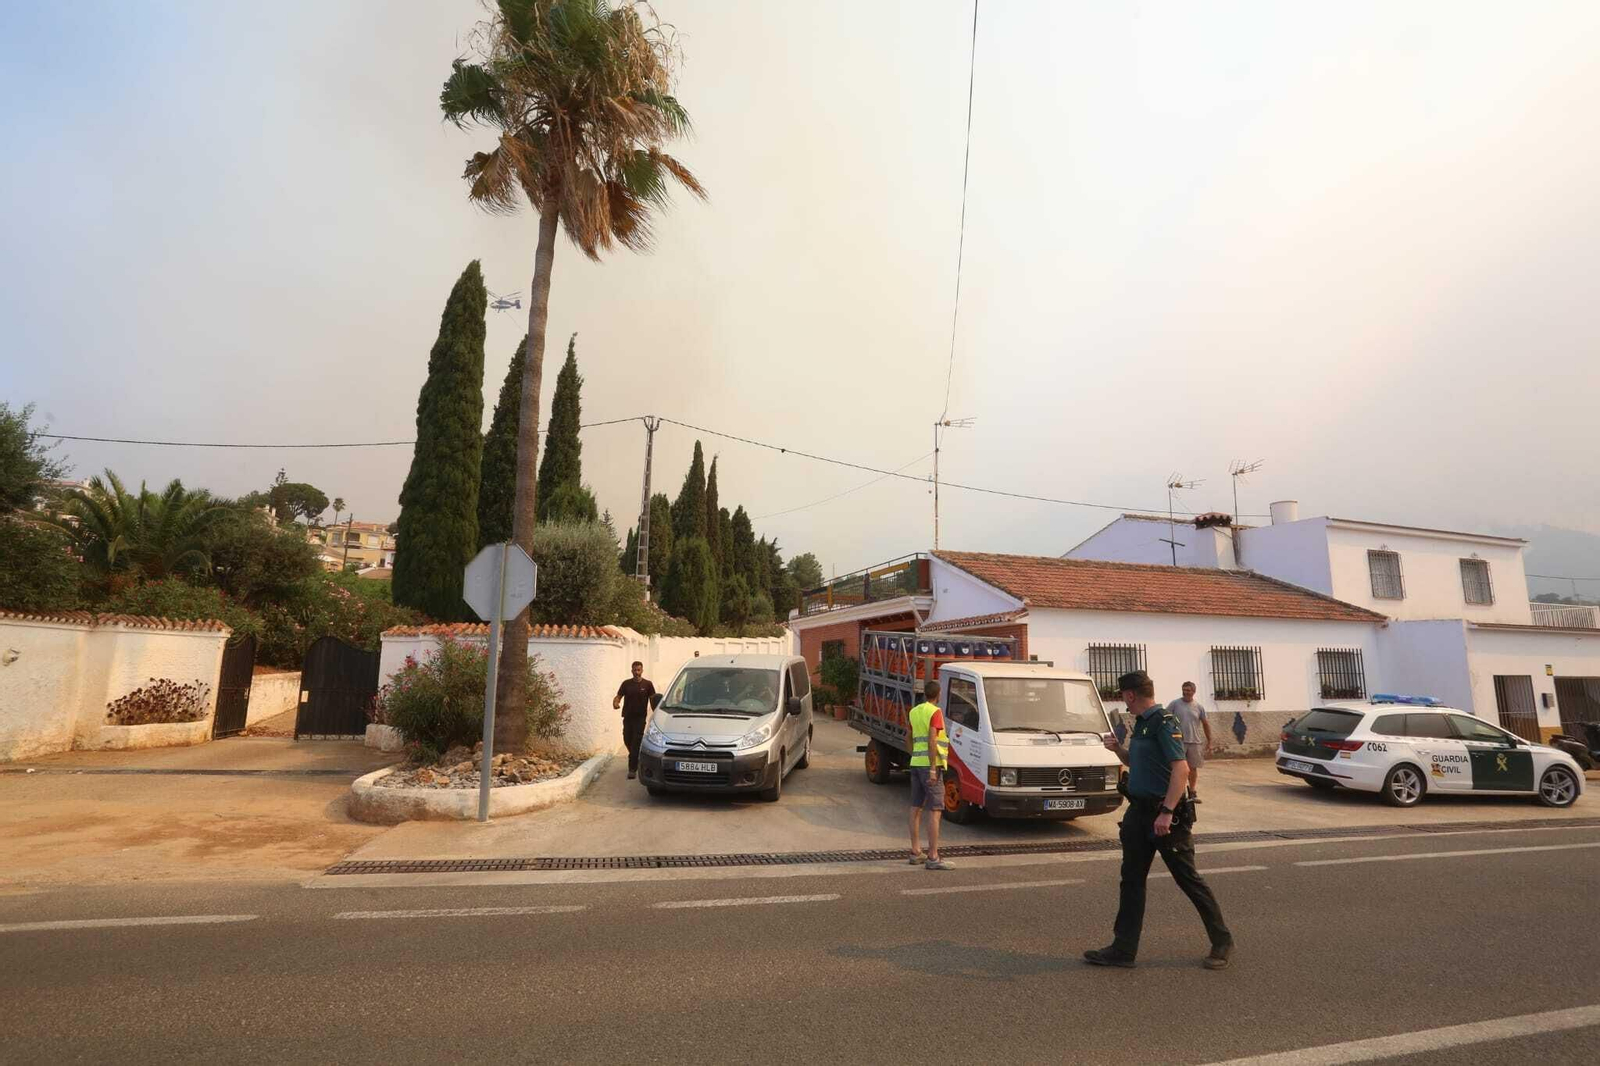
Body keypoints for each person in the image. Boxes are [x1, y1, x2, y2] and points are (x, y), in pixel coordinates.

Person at [1086, 670, 1233, 970]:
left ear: (1130, 695)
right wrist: (1118, 750)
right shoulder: (1141, 725)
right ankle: (1123, 950)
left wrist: (1166, 812)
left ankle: (1222, 941)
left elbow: (1180, 769)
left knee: (1188, 880)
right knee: (1131, 882)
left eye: (1123, 697)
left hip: (1165, 818)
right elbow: (1137, 762)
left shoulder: (1164, 722)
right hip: (1138, 815)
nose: (1124, 703)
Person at [907, 680, 953, 871]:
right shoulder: (935, 712)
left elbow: (907, 737)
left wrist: (913, 756)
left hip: (916, 764)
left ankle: (916, 852)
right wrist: (933, 768)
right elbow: (933, 739)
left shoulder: (914, 711)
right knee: (935, 810)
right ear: (938, 694)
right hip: (929, 766)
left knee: (915, 808)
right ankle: (933, 856)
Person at [1167, 681, 1212, 801]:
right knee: (1179, 768)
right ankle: (1180, 794)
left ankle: (1192, 792)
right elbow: (1165, 719)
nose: (1185, 692)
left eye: (1188, 690)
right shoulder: (1175, 704)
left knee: (1193, 768)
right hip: (1178, 741)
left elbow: (1205, 724)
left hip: (1194, 742)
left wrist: (1210, 741)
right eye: (1184, 690)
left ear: (1193, 691)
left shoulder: (1199, 707)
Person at [613, 661, 657, 780]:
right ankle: (635, 755)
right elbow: (619, 696)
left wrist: (656, 713)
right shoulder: (626, 684)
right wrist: (615, 703)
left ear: (642, 670)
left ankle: (632, 769)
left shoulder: (648, 684)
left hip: (640, 718)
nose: (637, 672)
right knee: (627, 739)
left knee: (636, 741)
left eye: (639, 670)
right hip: (627, 717)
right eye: (635, 670)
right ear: (631, 671)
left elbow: (653, 699)